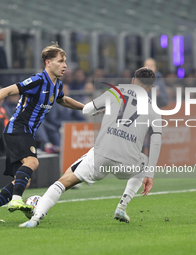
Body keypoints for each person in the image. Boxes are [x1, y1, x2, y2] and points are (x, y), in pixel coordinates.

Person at [19, 67, 162, 228]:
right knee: (144, 161)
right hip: (127, 161)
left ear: (133, 81)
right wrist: (150, 173)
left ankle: (36, 218)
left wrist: (102, 109)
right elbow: (156, 142)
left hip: (101, 155)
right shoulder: (155, 110)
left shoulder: (117, 91)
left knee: (64, 180)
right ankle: (122, 206)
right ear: (151, 88)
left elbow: (87, 110)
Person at [0, 43, 85, 222]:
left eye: (65, 62)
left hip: (25, 132)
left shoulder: (57, 85)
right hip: (18, 127)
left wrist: (85, 108)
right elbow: (5, 91)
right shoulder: (38, 80)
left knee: (23, 181)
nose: (65, 65)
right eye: (60, 61)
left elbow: (63, 100)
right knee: (32, 162)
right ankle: (16, 200)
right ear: (48, 62)